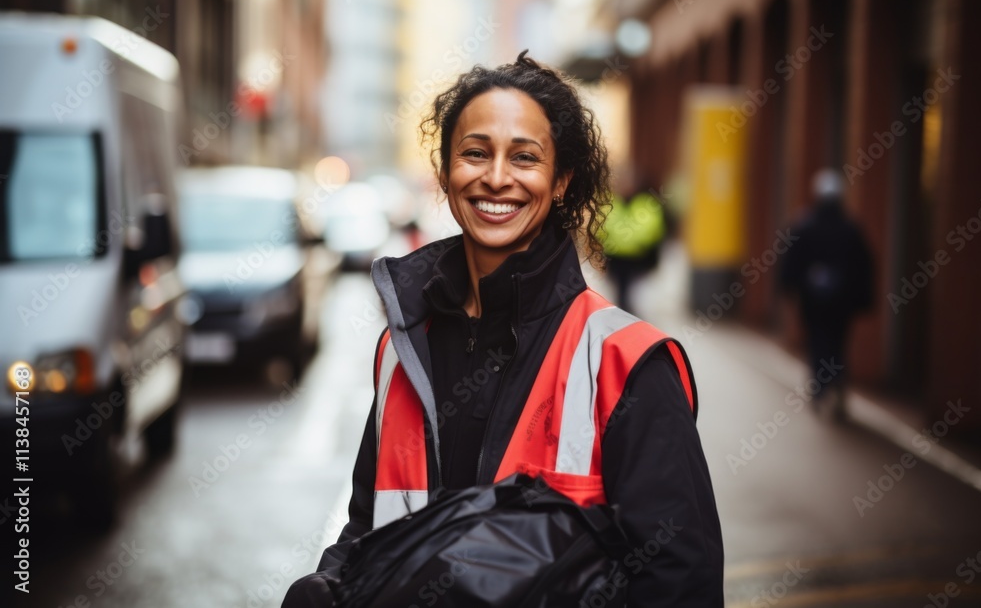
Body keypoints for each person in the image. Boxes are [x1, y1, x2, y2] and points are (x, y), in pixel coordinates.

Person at [324, 51, 724, 605]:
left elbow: (681, 584)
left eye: (525, 157)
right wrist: (328, 585)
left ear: (561, 181)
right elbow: (368, 529)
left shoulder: (627, 363)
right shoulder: (402, 348)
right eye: (474, 153)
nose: (495, 177)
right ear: (445, 172)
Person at [780, 169, 874, 420]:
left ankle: (822, 390)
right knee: (837, 343)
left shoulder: (805, 225)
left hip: (814, 302)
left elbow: (791, 262)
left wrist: (789, 288)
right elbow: (864, 266)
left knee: (817, 342)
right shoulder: (850, 229)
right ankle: (837, 384)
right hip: (841, 304)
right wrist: (861, 298)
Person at [599, 169, 667, 314]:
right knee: (621, 292)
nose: (624, 186)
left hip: (638, 259)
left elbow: (651, 231)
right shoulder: (611, 202)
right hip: (615, 259)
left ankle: (628, 317)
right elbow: (600, 228)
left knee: (632, 294)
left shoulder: (645, 204)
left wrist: (624, 236)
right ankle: (625, 316)